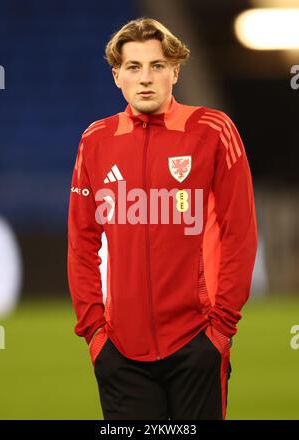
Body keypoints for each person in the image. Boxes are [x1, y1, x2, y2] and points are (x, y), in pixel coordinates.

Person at [67, 17, 258, 420]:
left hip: (197, 343)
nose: (145, 78)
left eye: (156, 66)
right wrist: (95, 335)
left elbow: (239, 233)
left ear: (175, 70)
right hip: (120, 352)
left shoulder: (212, 130)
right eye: (133, 67)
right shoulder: (96, 141)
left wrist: (221, 329)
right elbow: (82, 241)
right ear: (117, 75)